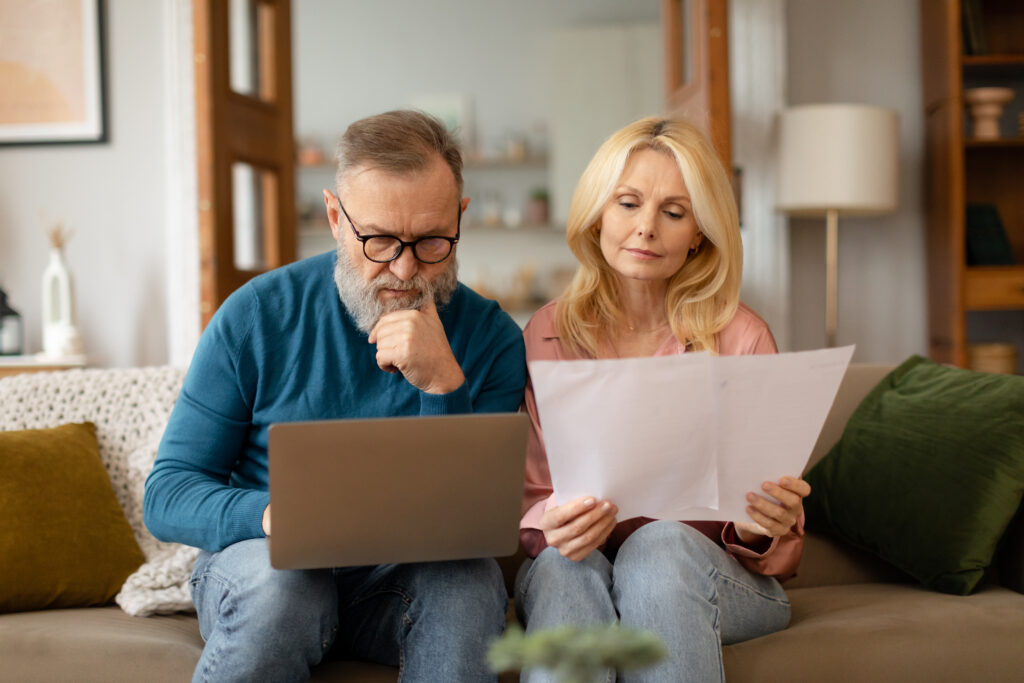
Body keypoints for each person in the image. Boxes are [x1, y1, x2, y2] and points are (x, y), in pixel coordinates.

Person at [144, 110, 527, 683]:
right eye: (377, 240)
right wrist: (275, 516)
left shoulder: (492, 338)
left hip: (399, 585)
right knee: (285, 587)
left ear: (460, 219)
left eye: (431, 242)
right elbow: (168, 494)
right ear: (334, 217)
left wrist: (442, 386)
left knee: (470, 583)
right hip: (267, 569)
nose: (404, 268)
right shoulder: (255, 315)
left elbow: (467, 525)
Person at [515, 116, 810, 682]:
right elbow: (532, 499)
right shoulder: (546, 335)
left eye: (673, 213)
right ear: (598, 212)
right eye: (628, 203)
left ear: (699, 232)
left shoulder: (742, 337)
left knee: (659, 548)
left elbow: (779, 542)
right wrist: (552, 523)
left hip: (709, 575)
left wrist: (759, 525)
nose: (646, 227)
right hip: (578, 567)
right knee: (564, 567)